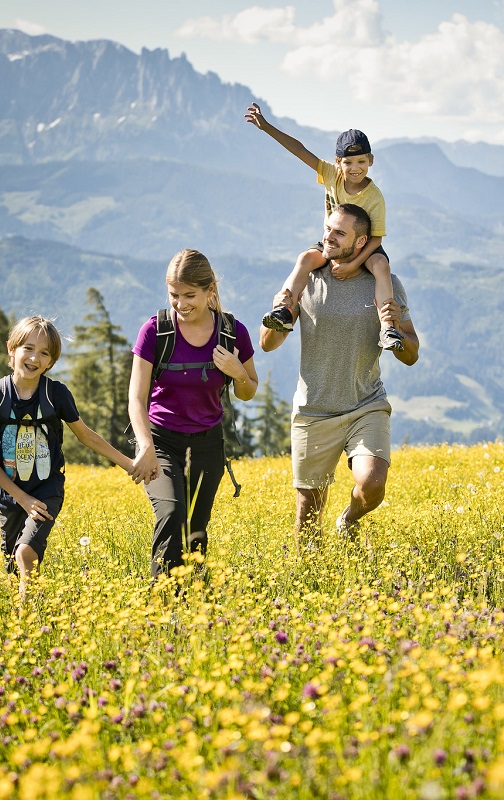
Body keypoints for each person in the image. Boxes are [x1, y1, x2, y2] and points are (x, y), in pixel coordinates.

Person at [258, 203, 419, 546]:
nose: (327, 237)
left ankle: (348, 519)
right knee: (308, 516)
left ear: (361, 242)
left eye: (339, 233)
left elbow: (411, 354)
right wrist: (278, 310)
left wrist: (399, 335)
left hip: (365, 404)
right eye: (328, 229)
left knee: (373, 483)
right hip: (313, 410)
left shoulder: (384, 283)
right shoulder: (308, 278)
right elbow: (268, 344)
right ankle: (310, 583)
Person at [0, 315, 150, 602]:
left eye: (44, 353)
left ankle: (25, 614)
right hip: (8, 494)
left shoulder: (56, 395)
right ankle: (31, 609)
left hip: (46, 489)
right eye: (28, 348)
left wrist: (130, 464)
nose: (34, 357)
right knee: (13, 562)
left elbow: (86, 436)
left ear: (51, 362)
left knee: (25, 551)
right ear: (11, 350)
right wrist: (21, 499)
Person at [129, 249, 259, 581]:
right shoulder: (155, 331)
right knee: (172, 515)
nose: (181, 303)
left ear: (209, 291)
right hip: (161, 443)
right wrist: (144, 446)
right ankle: (162, 603)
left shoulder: (232, 332)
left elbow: (248, 391)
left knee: (196, 532)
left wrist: (236, 371)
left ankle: (194, 606)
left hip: (208, 446)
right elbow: (136, 397)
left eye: (190, 295)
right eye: (174, 295)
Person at [244, 102, 404, 352]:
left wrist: (353, 264)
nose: (355, 168)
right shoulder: (331, 175)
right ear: (337, 162)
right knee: (305, 258)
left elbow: (376, 239)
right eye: (348, 163)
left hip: (364, 248)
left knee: (382, 266)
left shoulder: (374, 196)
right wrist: (266, 128)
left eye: (361, 161)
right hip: (332, 244)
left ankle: (387, 326)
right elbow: (299, 149)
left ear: (370, 160)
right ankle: (284, 310)